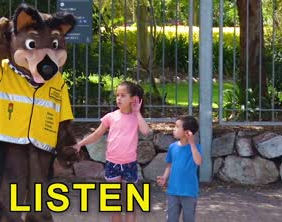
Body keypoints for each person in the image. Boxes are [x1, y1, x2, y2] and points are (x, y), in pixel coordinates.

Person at [74, 80, 151, 222]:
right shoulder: (111, 117)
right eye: (117, 95)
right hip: (112, 164)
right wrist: (81, 143)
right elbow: (97, 134)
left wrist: (137, 112)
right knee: (114, 204)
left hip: (129, 164)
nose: (119, 98)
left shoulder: (136, 118)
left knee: (129, 204)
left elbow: (146, 131)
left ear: (133, 99)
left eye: (123, 95)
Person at [156, 116, 202, 222]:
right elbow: (170, 165)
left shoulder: (196, 147)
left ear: (187, 132)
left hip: (189, 192)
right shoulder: (173, 147)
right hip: (173, 191)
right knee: (171, 219)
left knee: (189, 219)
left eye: (177, 127)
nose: (174, 129)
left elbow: (198, 161)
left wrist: (192, 143)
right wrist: (164, 177)